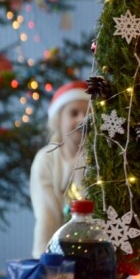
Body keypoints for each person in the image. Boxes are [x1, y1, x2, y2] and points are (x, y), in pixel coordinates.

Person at [30, 80, 90, 259]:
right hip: (57, 252)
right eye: (73, 113)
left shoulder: (97, 159)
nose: (81, 119)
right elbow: (47, 214)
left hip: (94, 248)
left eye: (86, 113)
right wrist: (42, 258)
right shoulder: (46, 160)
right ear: (58, 119)